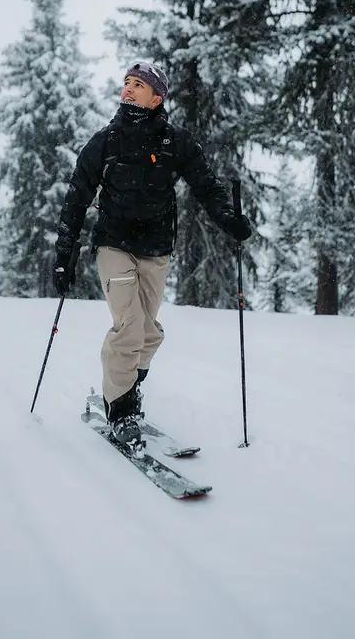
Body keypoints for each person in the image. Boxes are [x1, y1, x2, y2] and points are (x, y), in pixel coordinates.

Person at [54, 60, 252, 448]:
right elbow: (76, 199)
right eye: (126, 83)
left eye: (138, 85)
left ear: (157, 97)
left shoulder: (175, 142)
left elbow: (207, 186)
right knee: (128, 326)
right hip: (113, 243)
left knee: (148, 333)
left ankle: (128, 384)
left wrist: (229, 219)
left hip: (157, 248)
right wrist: (65, 253)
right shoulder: (105, 142)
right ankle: (122, 409)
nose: (127, 89)